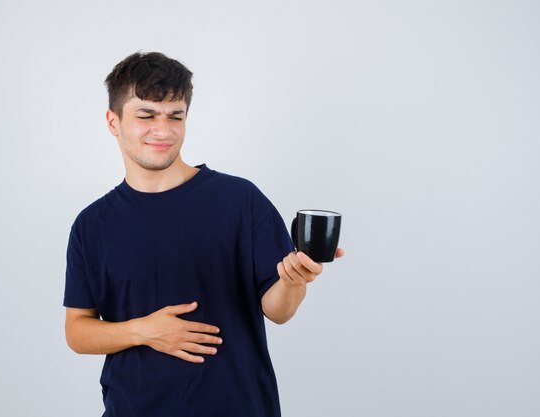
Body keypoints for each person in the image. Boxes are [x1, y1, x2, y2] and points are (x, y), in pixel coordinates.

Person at [63, 51, 344, 417]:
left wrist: (294, 280)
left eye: (175, 117)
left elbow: (278, 311)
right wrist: (144, 331)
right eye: (146, 115)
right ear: (113, 121)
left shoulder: (240, 200)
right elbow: (77, 332)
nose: (162, 130)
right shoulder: (91, 225)